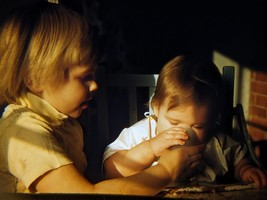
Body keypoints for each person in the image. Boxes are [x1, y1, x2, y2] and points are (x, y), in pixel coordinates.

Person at [0, 1, 204, 195]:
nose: (95, 84)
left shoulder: (62, 122)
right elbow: (85, 196)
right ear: (34, 79)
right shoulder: (24, 132)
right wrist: (166, 171)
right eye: (84, 77)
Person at [103, 55, 267, 189]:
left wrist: (245, 170)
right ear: (156, 108)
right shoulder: (141, 134)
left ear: (211, 121)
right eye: (174, 122)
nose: (184, 133)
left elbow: (238, 157)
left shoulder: (215, 140)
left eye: (198, 126)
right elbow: (111, 170)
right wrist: (152, 148)